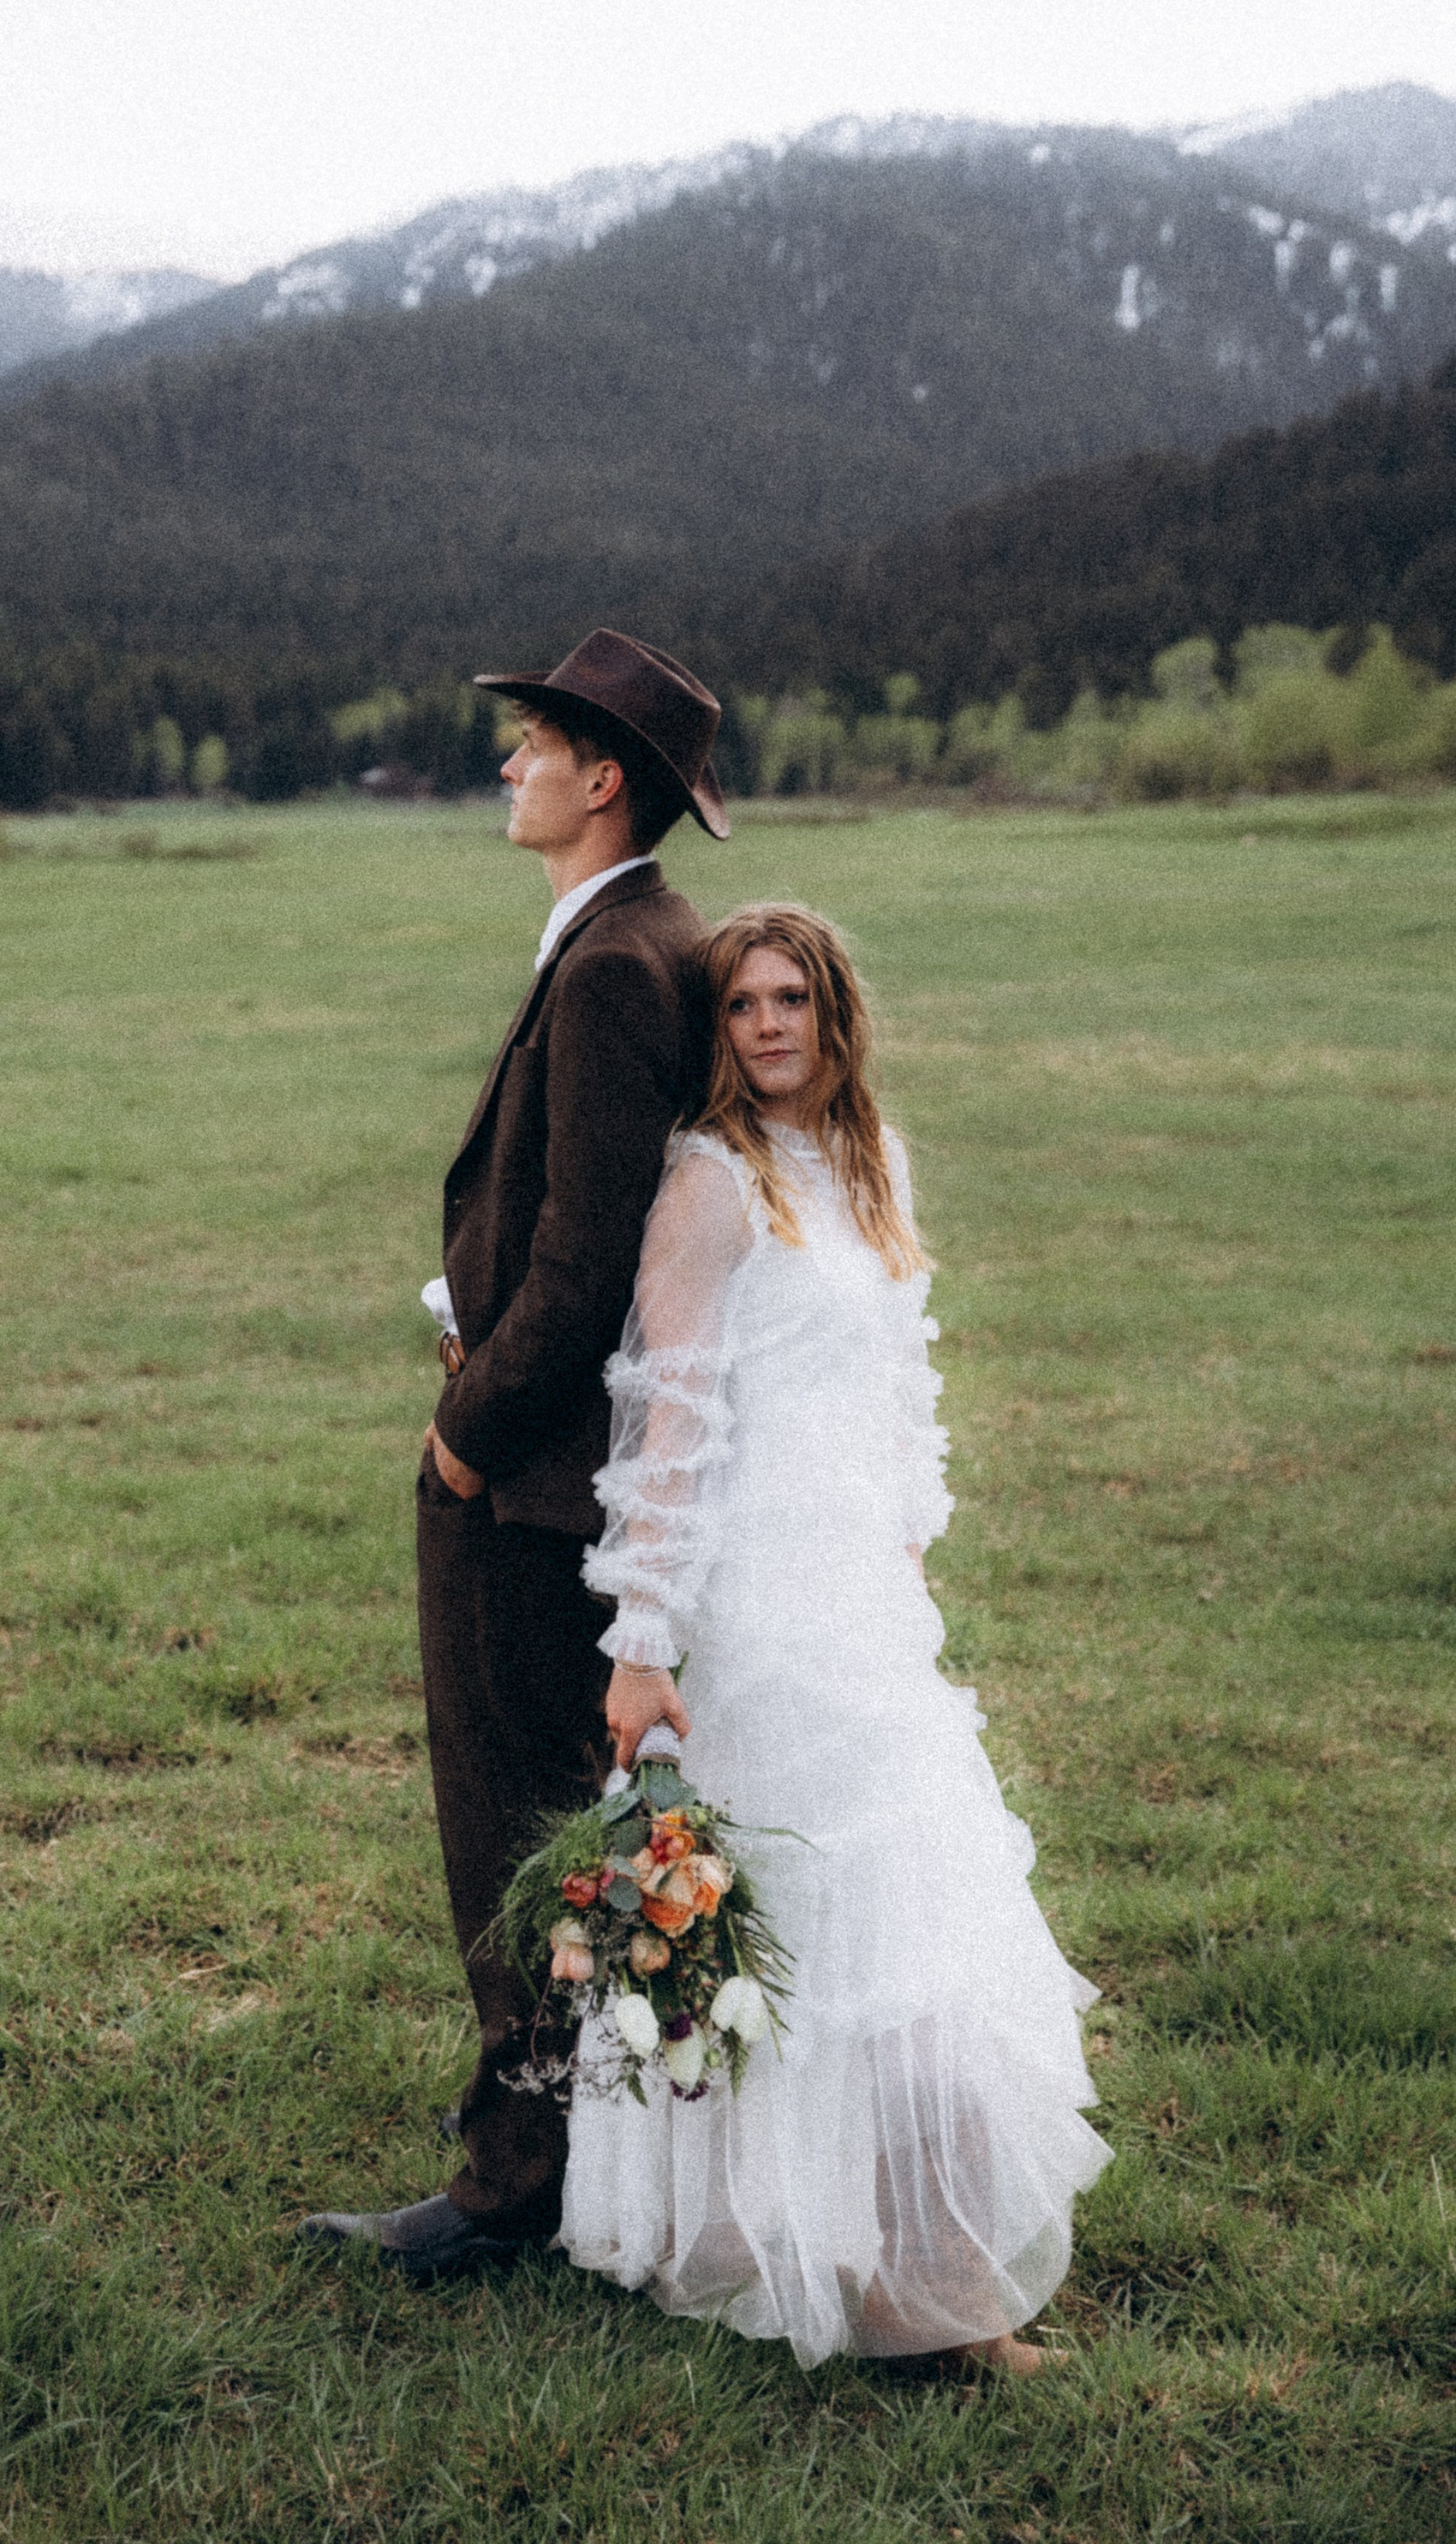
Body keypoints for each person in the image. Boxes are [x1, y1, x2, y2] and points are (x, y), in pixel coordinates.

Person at [559, 902, 1109, 2371]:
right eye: (741, 1005)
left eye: (793, 997)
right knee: (795, 1928)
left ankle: (931, 2285)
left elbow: (900, 1376)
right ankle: (795, 2248)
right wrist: (645, 1636)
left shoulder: (873, 1168)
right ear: (719, 1033)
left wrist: (909, 1535)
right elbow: (670, 1425)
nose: (770, 1026)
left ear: (835, 1012)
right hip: (753, 1597)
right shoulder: (709, 1185)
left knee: (920, 1922)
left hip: (861, 1592)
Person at [303, 630, 731, 2280]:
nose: (508, 765)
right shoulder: (622, 939)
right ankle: (579, 2164)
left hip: (534, 1475)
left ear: (600, 773)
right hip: (556, 1463)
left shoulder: (622, 962)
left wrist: (464, 1438)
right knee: (566, 1830)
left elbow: (586, 1264)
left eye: (530, 741)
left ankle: (512, 2189)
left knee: (517, 1830)